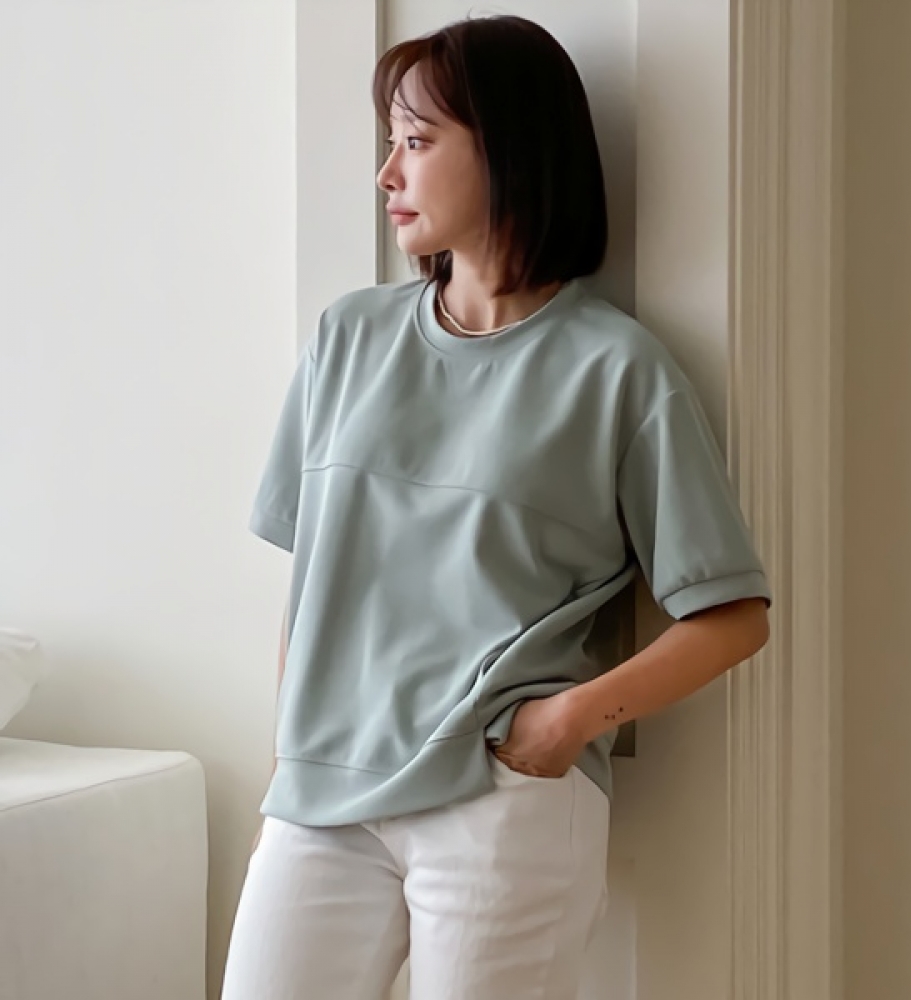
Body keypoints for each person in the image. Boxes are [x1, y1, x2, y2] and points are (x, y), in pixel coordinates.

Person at [221, 13, 772, 1000]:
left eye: (416, 141)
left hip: (495, 802)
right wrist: (289, 746)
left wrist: (565, 723)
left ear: (508, 150)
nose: (387, 173)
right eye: (390, 142)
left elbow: (732, 616)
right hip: (320, 796)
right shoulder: (348, 338)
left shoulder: (617, 372)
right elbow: (312, 582)